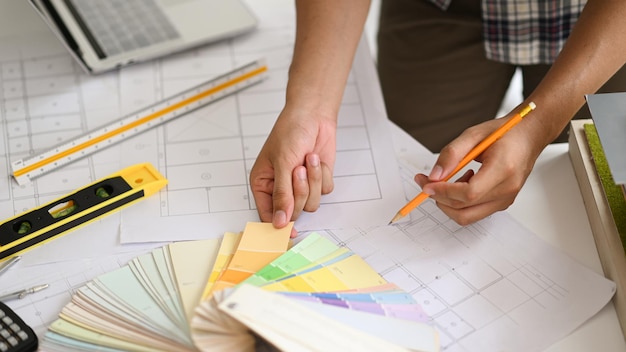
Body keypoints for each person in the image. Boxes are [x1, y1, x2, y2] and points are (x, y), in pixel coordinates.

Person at [249, 0, 626, 230]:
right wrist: (310, 107)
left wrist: (538, 126)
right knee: (410, 157)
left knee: (595, 187)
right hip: (441, 6)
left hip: (603, 19)